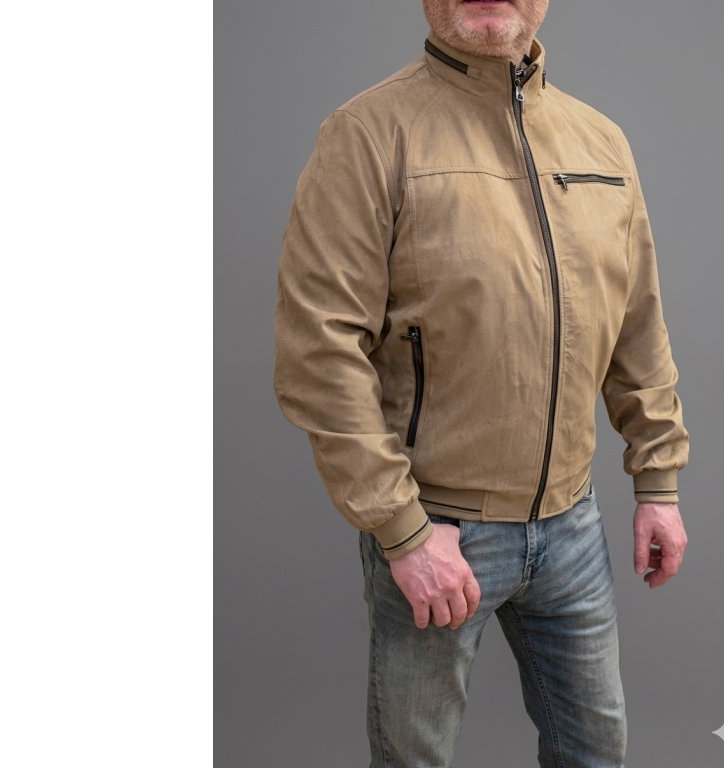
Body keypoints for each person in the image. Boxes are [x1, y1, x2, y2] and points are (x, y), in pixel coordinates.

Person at [273, 1, 690, 765]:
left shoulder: (601, 142)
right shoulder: (369, 134)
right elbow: (318, 352)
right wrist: (402, 529)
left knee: (596, 753)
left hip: (573, 526)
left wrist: (657, 482)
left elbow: (637, 323)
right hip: (435, 528)